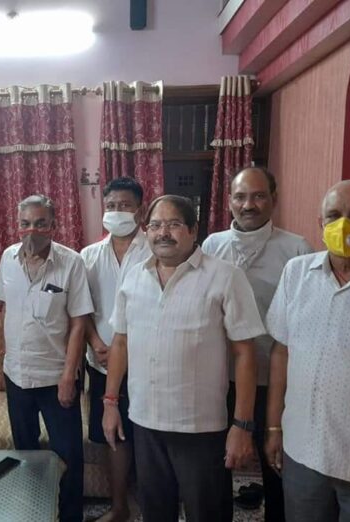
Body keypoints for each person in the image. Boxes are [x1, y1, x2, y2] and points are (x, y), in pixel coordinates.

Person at [103, 195, 266, 522]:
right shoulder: (133, 277)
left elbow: (244, 353)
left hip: (200, 427)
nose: (163, 233)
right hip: (145, 420)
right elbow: (120, 342)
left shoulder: (225, 276)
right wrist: (110, 403)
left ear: (193, 230)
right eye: (155, 225)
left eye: (174, 224)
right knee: (155, 510)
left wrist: (242, 425)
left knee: (207, 512)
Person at [265, 180, 350, 522]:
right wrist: (274, 427)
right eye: (334, 216)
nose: (344, 225)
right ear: (321, 224)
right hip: (303, 452)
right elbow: (281, 351)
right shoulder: (297, 273)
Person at [202, 167, 312, 520]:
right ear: (229, 201)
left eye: (258, 196)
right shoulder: (212, 245)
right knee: (217, 461)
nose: (248, 205)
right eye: (240, 197)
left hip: (273, 378)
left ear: (274, 200)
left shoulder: (296, 249)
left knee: (275, 460)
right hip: (219, 377)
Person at [0, 195, 94, 522]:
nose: (31, 230)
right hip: (16, 375)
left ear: (53, 225)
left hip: (55, 377)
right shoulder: (8, 257)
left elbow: (79, 322)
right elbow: (6, 308)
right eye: (25, 224)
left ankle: (70, 516)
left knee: (68, 455)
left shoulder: (71, 262)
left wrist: (69, 375)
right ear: (17, 225)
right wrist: (6, 350)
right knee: (26, 453)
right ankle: (34, 512)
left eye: (40, 223)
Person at [80, 177, 151, 522]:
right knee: (113, 437)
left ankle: (154, 508)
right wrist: (95, 342)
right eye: (111, 206)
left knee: (149, 437)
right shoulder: (88, 256)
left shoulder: (156, 251)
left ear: (141, 210)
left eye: (124, 205)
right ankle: (119, 507)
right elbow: (81, 308)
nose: (117, 212)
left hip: (148, 365)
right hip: (102, 363)